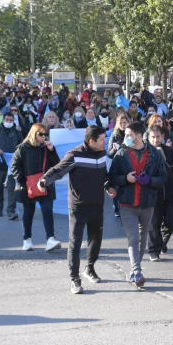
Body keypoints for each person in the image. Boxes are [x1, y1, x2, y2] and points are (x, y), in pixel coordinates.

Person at [40, 125, 111, 294]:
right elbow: (57, 170)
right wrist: (43, 181)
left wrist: (109, 186)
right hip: (78, 206)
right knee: (75, 243)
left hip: (97, 204)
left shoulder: (102, 153)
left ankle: (90, 268)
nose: (105, 141)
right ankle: (74, 278)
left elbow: (104, 175)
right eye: (102, 139)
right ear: (91, 141)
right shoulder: (75, 154)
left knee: (96, 239)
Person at [108, 122, 166, 287]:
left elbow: (163, 177)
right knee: (133, 238)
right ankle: (138, 272)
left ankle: (134, 270)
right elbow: (112, 176)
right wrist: (125, 179)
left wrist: (150, 181)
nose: (125, 138)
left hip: (147, 203)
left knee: (142, 237)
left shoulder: (154, 154)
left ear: (139, 136)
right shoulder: (121, 153)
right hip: (127, 203)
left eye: (128, 135)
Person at [11, 124, 63, 252]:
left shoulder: (47, 148)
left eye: (45, 134)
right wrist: (23, 181)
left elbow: (57, 165)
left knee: (47, 211)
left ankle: (50, 239)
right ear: (34, 134)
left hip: (45, 184)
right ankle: (27, 239)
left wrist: (52, 151)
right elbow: (15, 165)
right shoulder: (23, 148)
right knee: (28, 213)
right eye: (41, 134)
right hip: (28, 186)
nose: (43, 137)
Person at [147, 125, 173, 261]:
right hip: (152, 194)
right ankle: (153, 250)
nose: (156, 139)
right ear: (148, 137)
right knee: (154, 223)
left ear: (163, 137)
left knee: (172, 220)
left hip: (170, 194)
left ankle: (162, 242)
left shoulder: (170, 152)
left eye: (158, 137)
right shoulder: (145, 152)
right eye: (153, 137)